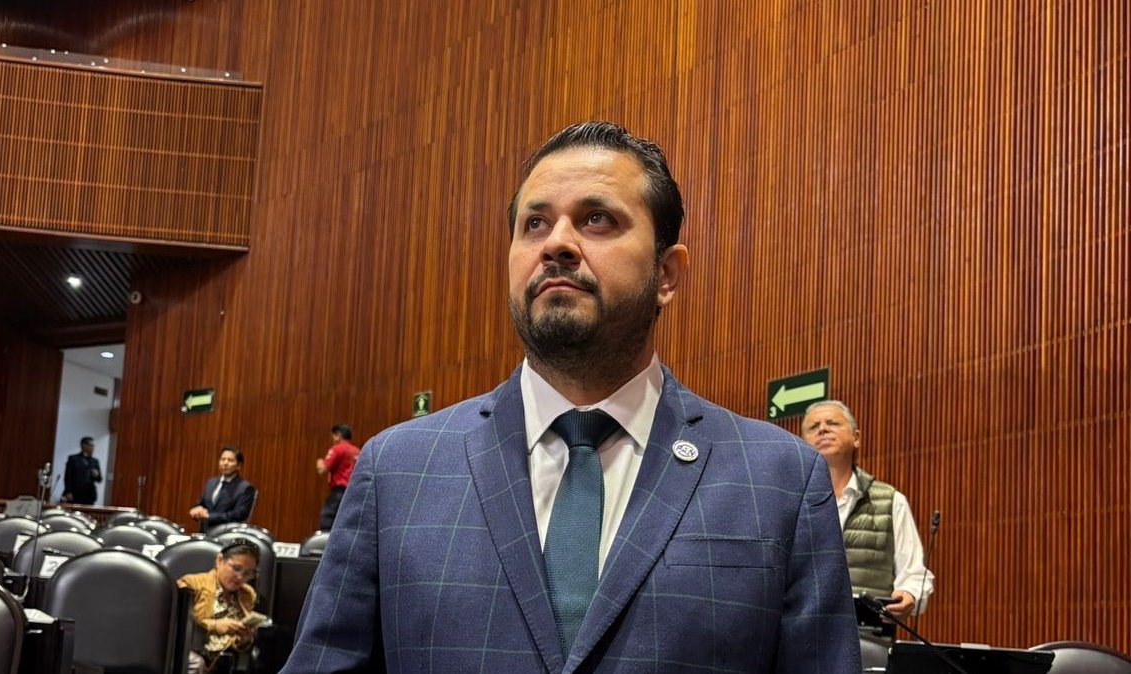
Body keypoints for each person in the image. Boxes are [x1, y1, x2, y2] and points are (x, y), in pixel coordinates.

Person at [281, 121, 859, 673]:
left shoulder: (781, 480)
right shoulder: (396, 470)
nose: (557, 242)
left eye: (597, 219)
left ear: (667, 274)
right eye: (534, 223)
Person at [800, 400, 935, 625]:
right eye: (813, 426)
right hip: (801, 633)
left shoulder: (891, 501)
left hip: (867, 634)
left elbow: (914, 573)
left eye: (832, 423)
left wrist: (909, 595)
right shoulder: (791, 502)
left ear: (856, 437)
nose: (822, 429)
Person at [177, 538, 261, 674]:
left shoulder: (247, 594)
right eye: (236, 569)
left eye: (247, 573)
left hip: (222, 663)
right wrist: (214, 626)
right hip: (194, 654)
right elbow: (177, 627)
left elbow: (240, 647)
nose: (240, 577)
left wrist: (245, 639)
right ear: (219, 560)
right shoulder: (191, 584)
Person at [190, 447, 257, 534]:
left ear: (238, 466)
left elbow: (239, 515)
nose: (225, 463)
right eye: (223, 459)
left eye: (230, 460)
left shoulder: (245, 488)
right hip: (204, 533)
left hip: (227, 535)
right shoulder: (211, 483)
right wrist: (196, 510)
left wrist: (210, 516)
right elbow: (202, 504)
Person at [315, 424, 360, 530]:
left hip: (339, 491)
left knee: (328, 517)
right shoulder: (357, 451)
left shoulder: (337, 449)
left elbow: (322, 469)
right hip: (354, 491)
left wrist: (319, 461)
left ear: (338, 435)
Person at [61, 436, 101, 505]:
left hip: (89, 495)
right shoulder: (73, 459)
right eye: (91, 445)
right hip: (75, 494)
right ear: (83, 445)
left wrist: (96, 475)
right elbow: (68, 476)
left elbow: (99, 479)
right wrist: (68, 491)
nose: (93, 448)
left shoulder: (95, 461)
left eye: (93, 446)